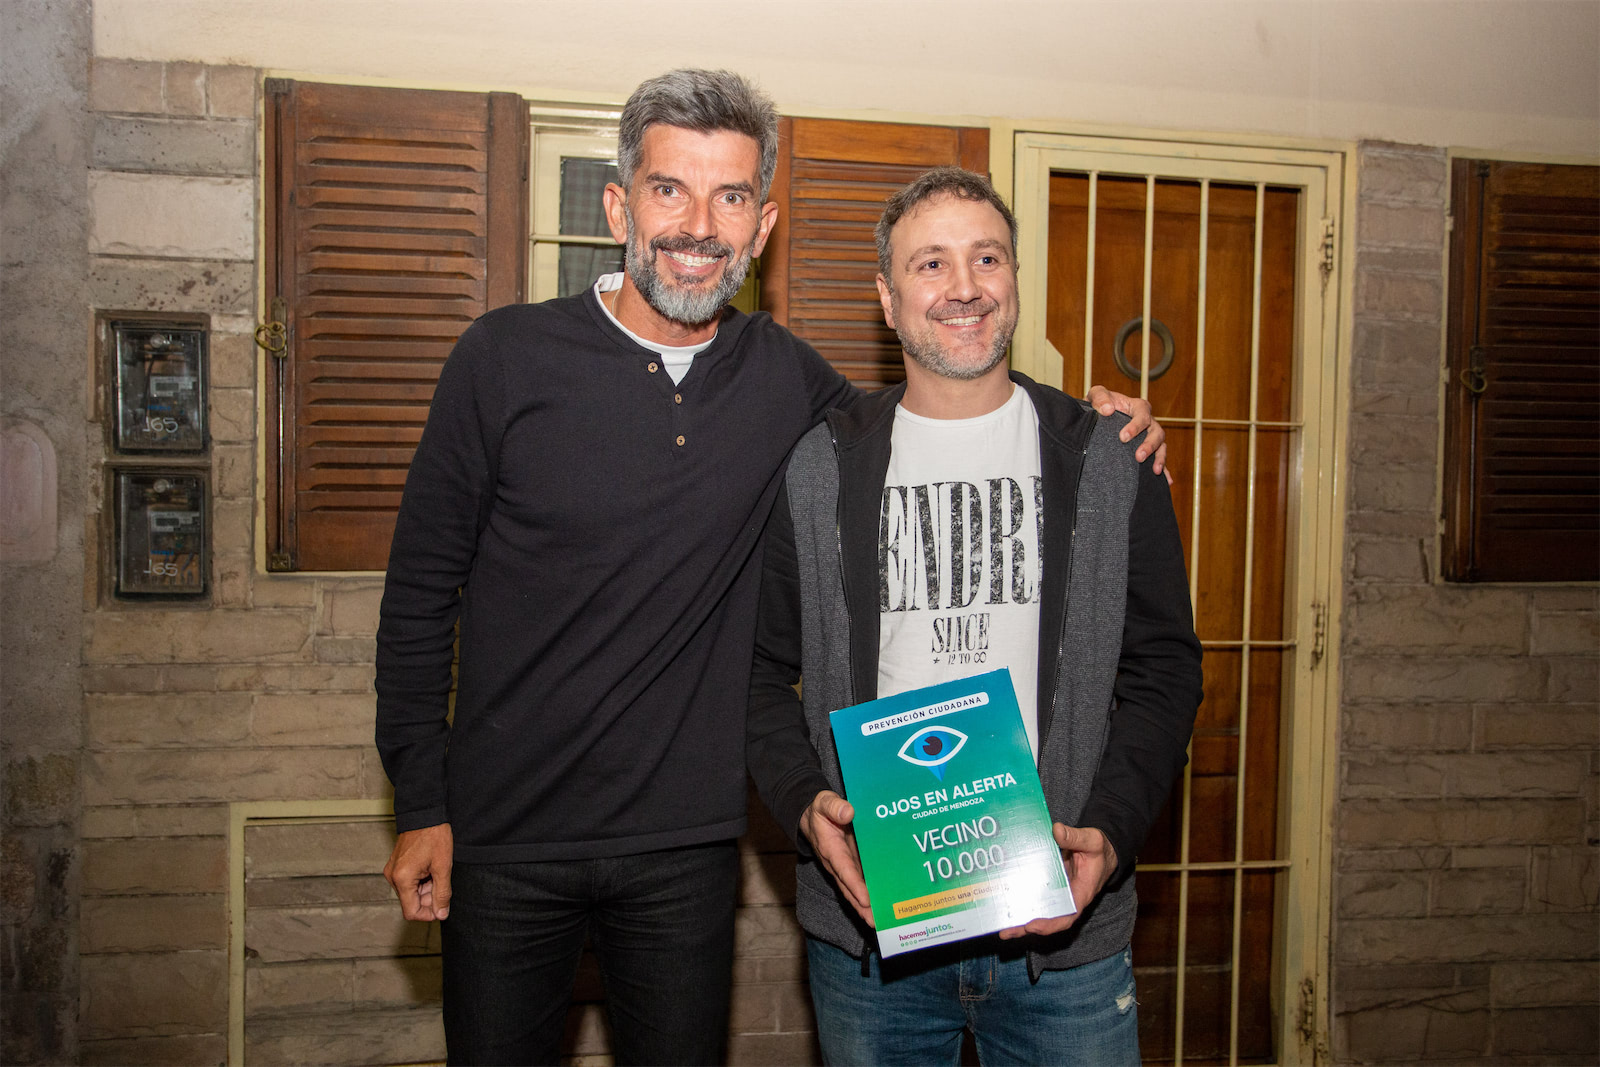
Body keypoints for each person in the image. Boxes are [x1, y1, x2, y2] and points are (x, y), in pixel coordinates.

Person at [375, 70, 1165, 1066]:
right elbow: (418, 599)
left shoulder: (787, 379)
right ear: (619, 206)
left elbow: (945, 386)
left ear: (763, 226)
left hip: (684, 849)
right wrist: (423, 803)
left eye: (732, 197)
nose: (699, 226)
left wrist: (1095, 427)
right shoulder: (501, 359)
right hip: (504, 839)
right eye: (670, 190)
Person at [747, 166, 1204, 1066]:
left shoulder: (1108, 460)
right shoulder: (819, 468)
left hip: (1064, 945)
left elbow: (1165, 670)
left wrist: (1109, 831)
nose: (964, 286)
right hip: (873, 944)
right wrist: (805, 806)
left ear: (1015, 278)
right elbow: (758, 674)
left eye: (986, 257)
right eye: (931, 263)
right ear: (888, 299)